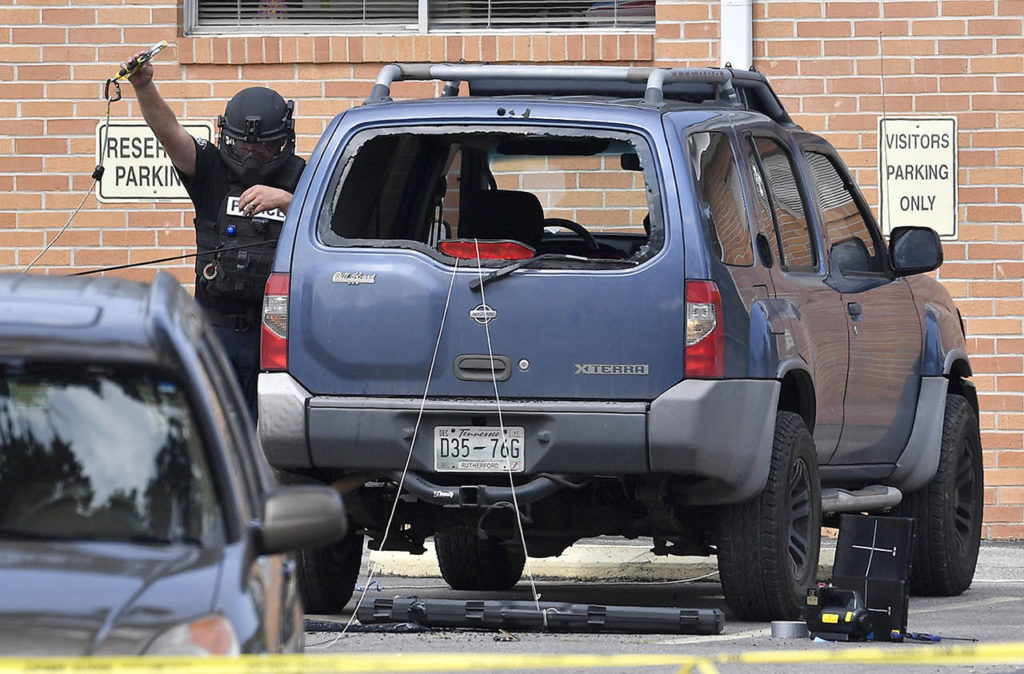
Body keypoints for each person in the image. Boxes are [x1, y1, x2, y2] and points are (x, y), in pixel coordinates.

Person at [122, 52, 306, 418]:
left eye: (263, 148)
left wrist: (287, 201)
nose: (251, 156)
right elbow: (169, 132)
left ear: (281, 144)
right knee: (212, 435)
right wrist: (143, 85)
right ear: (228, 138)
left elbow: (327, 229)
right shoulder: (210, 170)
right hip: (215, 335)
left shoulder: (303, 179)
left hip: (274, 336)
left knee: (269, 438)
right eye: (243, 147)